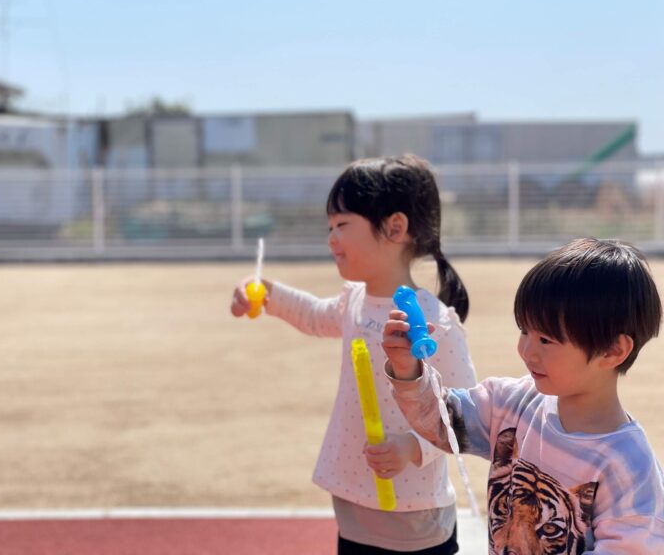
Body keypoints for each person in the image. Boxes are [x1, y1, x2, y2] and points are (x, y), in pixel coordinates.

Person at [231, 155, 477, 554]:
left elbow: (467, 413)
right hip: (354, 505)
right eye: (329, 226)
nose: (331, 238)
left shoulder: (435, 321)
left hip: (414, 518)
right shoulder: (355, 303)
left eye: (342, 225)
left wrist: (413, 446)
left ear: (395, 227)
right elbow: (312, 314)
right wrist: (265, 292)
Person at [382, 237, 664, 553]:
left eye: (545, 340)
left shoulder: (629, 467)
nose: (525, 350)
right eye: (523, 330)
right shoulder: (513, 405)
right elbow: (440, 423)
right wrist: (408, 370)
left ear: (613, 350)